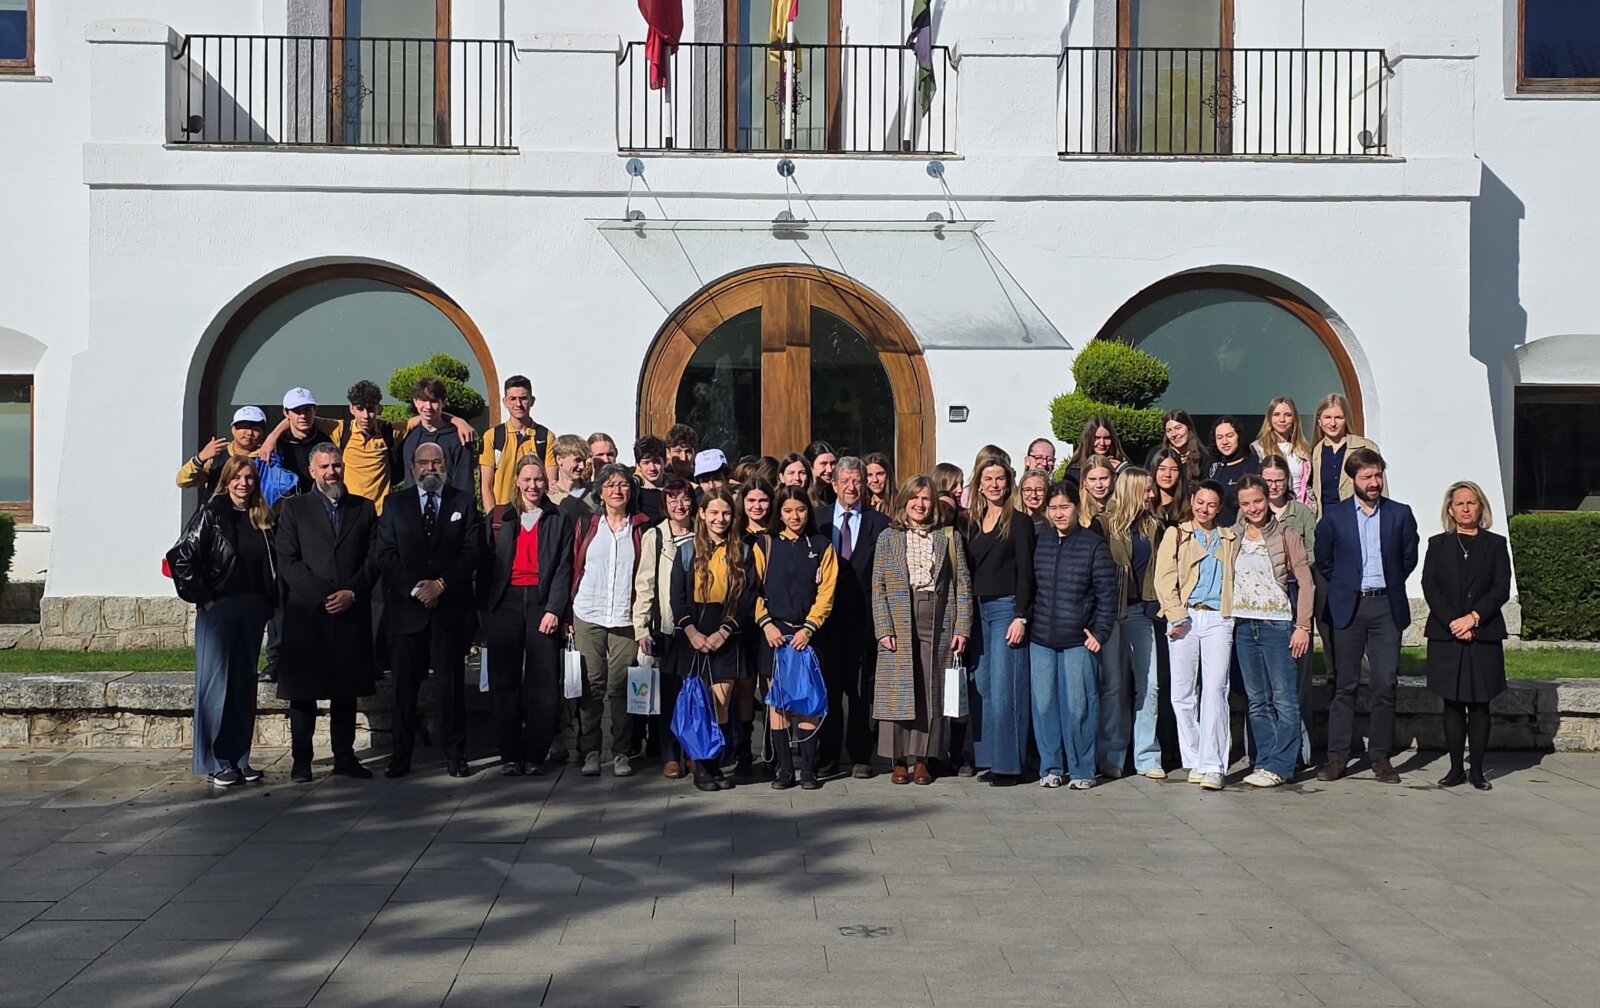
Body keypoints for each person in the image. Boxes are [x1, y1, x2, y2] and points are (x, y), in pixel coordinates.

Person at [374, 441, 483, 779]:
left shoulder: (463, 502)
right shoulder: (395, 504)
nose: (431, 468)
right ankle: (401, 755)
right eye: (424, 463)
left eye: (437, 462)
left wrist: (441, 585)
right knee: (404, 687)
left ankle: (455, 754)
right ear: (412, 467)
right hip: (408, 612)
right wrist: (417, 589)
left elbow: (472, 551)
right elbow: (385, 553)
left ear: (446, 465)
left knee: (450, 687)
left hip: (450, 611)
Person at [167, 455, 277, 787]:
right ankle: (215, 761)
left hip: (253, 609)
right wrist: (205, 597)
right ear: (227, 481)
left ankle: (239, 759)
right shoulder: (212, 513)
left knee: (243, 686)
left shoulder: (262, 517)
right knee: (215, 687)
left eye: (249, 478)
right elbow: (181, 558)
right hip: (220, 609)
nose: (244, 483)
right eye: (238, 478)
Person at [274, 443, 378, 783]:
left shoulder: (363, 509)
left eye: (336, 465)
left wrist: (352, 592)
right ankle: (301, 760)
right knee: (303, 693)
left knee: (345, 692)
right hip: (309, 614)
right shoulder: (294, 510)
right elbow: (288, 561)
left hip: (350, 611)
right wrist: (322, 595)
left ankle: (344, 757)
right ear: (311, 471)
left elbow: (373, 559)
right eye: (324, 467)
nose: (331, 472)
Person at [1314, 448, 1419, 784]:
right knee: (1344, 685)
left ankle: (1380, 758)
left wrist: (1388, 583)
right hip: (1349, 606)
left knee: (1385, 682)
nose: (1374, 483)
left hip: (1385, 605)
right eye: (1367, 477)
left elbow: (1408, 557)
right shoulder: (1334, 517)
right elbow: (1324, 560)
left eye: (1378, 475)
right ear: (1353, 479)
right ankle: (1338, 758)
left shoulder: (1400, 514)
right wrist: (1346, 586)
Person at [871, 476, 972, 785]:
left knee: (930, 689)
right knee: (899, 688)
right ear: (904, 501)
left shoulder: (948, 537)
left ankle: (922, 760)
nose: (920, 504)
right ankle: (898, 759)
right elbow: (878, 586)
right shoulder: (888, 537)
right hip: (899, 615)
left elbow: (963, 584)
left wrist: (962, 626)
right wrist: (883, 627)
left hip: (938, 616)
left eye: (926, 498)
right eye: (915, 498)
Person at [480, 457, 574, 777]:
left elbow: (564, 567)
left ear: (546, 484)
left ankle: (536, 753)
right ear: (517, 481)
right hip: (504, 602)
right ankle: (510, 754)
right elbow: (485, 565)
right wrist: (485, 612)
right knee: (504, 681)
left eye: (539, 480)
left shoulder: (558, 518)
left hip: (541, 601)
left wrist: (554, 609)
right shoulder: (500, 517)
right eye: (527, 479)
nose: (533, 486)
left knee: (543, 681)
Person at [1422, 481, 1510, 791]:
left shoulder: (1496, 545)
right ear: (1450, 509)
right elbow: (1430, 586)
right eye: (1460, 503)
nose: (1466, 508)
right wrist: (1453, 622)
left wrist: (1473, 618)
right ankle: (1456, 768)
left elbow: (1500, 588)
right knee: (1453, 703)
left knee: (1480, 702)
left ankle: (1477, 771)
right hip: (1448, 635)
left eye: (1472, 503)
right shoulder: (1438, 544)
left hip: (1482, 633)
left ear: (1481, 507)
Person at [1031, 480, 1117, 789]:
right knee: (1044, 706)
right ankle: (1051, 767)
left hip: (1078, 641)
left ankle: (1082, 770)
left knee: (1079, 706)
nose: (1058, 513)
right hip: (1041, 638)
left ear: (1076, 507)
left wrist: (1099, 632)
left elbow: (1108, 594)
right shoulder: (1038, 541)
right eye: (1052, 508)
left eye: (1064, 507)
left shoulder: (1093, 544)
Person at [671, 489, 758, 792]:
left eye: (726, 513)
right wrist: (692, 633)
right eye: (714, 513)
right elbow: (677, 598)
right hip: (694, 633)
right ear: (703, 514)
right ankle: (700, 770)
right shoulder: (685, 551)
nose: (720, 519)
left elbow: (746, 598)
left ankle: (715, 764)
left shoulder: (743, 552)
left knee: (721, 702)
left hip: (727, 634)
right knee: (699, 703)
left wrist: (724, 631)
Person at [569, 463, 653, 778]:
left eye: (623, 485)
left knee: (622, 688)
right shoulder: (587, 525)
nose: (617, 491)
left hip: (625, 617)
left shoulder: (642, 527)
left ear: (631, 492)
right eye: (610, 485)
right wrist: (567, 614)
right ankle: (590, 751)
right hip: (587, 613)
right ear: (600, 491)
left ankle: (621, 752)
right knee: (592, 686)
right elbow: (573, 567)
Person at [1231, 476, 1314, 789]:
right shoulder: (1235, 535)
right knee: (1257, 700)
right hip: (1243, 624)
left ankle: (1282, 764)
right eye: (1246, 503)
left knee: (1284, 699)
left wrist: (1303, 626)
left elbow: (1306, 582)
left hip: (1277, 624)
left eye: (1258, 501)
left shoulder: (1286, 534)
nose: (1253, 508)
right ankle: (1264, 762)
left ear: (1267, 499)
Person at [753, 487, 839, 790]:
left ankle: (808, 768)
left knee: (806, 701)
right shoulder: (765, 545)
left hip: (808, 634)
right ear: (780, 512)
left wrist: (809, 627)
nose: (794, 516)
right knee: (777, 702)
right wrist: (765, 624)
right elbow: (754, 590)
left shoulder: (821, 546)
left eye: (800, 510)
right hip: (774, 633)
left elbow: (826, 594)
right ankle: (784, 769)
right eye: (788, 511)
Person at [1155, 480, 1238, 790]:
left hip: (1218, 617)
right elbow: (1164, 578)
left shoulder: (1229, 538)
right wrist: (1176, 613)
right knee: (1182, 692)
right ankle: (1194, 758)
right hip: (1185, 616)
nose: (1204, 508)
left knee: (1216, 689)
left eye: (1211, 504)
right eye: (1200, 502)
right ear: (1192, 501)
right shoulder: (1176, 534)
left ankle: (1213, 762)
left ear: (1219, 508)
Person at [960, 456, 1036, 787]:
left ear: (1008, 483)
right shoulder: (972, 522)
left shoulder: (1019, 522)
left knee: (1007, 687)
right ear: (979, 484)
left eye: (999, 479)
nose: (994, 484)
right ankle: (990, 757)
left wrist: (1021, 614)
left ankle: (1010, 764)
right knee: (984, 687)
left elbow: (1027, 573)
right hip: (978, 611)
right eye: (987, 479)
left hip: (1007, 608)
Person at [816, 457, 891, 778]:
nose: (852, 487)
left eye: (857, 481)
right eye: (845, 481)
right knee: (829, 690)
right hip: (825, 622)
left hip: (864, 620)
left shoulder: (880, 522)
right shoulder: (817, 521)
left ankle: (861, 755)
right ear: (833, 484)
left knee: (861, 692)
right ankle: (828, 756)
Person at [1093, 467, 1164, 779]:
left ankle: (1147, 757)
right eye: (1147, 489)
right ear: (1133, 490)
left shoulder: (1154, 526)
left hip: (1141, 611)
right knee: (1113, 684)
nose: (1152, 494)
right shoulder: (1104, 524)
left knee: (1149, 684)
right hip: (1112, 611)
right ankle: (1111, 755)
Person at [632, 477, 698, 779]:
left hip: (699, 627)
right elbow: (644, 584)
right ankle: (670, 754)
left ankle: (695, 750)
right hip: (667, 627)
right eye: (672, 499)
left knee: (698, 694)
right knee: (669, 695)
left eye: (684, 498)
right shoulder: (655, 537)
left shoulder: (704, 532)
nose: (679, 505)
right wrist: (642, 628)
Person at [1260, 453, 1319, 767]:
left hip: (1295, 592)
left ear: (1288, 482)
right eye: (1267, 480)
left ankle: (1299, 750)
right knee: (1266, 683)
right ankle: (1267, 749)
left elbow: (1312, 552)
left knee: (1297, 679)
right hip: (1261, 599)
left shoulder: (1301, 514)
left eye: (1278, 480)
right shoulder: (1251, 512)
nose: (1273, 486)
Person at [176, 406, 297, 506]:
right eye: (243, 427)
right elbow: (183, 481)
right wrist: (201, 457)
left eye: (256, 429)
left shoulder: (268, 459)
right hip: (219, 522)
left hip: (257, 521)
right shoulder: (216, 457)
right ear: (233, 429)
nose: (249, 433)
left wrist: (274, 435)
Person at [479, 375, 554, 510]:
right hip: (502, 516)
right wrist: (493, 519)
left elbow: (550, 484)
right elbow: (486, 486)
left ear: (532, 401)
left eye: (523, 398)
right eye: (512, 399)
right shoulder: (493, 436)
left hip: (536, 515)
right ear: (505, 402)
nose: (518, 404)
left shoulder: (546, 437)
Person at [399, 377, 476, 494]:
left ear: (443, 402)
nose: (428, 407)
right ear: (415, 402)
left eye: (433, 401)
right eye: (423, 400)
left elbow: (464, 485)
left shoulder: (459, 438)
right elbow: (408, 481)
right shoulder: (408, 436)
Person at [1308, 392, 1379, 515]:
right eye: (1327, 417)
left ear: (1346, 420)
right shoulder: (1314, 452)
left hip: (1358, 519)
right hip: (1326, 521)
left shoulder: (1365, 447)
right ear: (1319, 421)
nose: (1333, 423)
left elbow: (1379, 487)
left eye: (1338, 417)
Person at [1251, 397, 1312, 504]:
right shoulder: (1257, 448)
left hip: (1301, 511)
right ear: (1269, 418)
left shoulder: (1304, 449)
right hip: (1272, 510)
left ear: (1294, 419)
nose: (1282, 420)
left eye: (1288, 415)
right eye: (1276, 414)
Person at [1206, 416, 1259, 527]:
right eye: (1219, 437)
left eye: (1229, 436)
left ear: (1238, 437)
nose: (1224, 441)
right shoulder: (1212, 467)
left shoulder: (1251, 466)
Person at [1160, 409, 1213, 485]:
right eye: (1169, 430)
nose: (1174, 434)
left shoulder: (1203, 459)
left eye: (1178, 428)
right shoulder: (1157, 454)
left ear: (1189, 428)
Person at [1149, 447, 1192, 527]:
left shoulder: (1189, 507)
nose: (1168, 474)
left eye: (1174, 469)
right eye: (1162, 469)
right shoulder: (1146, 506)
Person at [548, 434, 592, 510]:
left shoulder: (590, 493)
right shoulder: (550, 497)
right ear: (559, 459)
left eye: (584, 461)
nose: (582, 466)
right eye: (577, 460)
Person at [633, 434, 669, 523]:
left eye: (656, 462)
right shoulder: (635, 494)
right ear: (638, 466)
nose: (652, 468)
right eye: (646, 463)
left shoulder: (674, 491)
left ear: (664, 462)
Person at [1078, 455, 1116, 530]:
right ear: (1084, 481)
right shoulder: (1076, 512)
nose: (1098, 485)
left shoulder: (1123, 508)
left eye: (1104, 478)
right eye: (1092, 479)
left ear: (1114, 478)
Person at [805, 440, 837, 507]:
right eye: (823, 464)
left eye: (832, 463)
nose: (830, 470)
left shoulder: (834, 493)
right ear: (809, 465)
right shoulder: (802, 495)